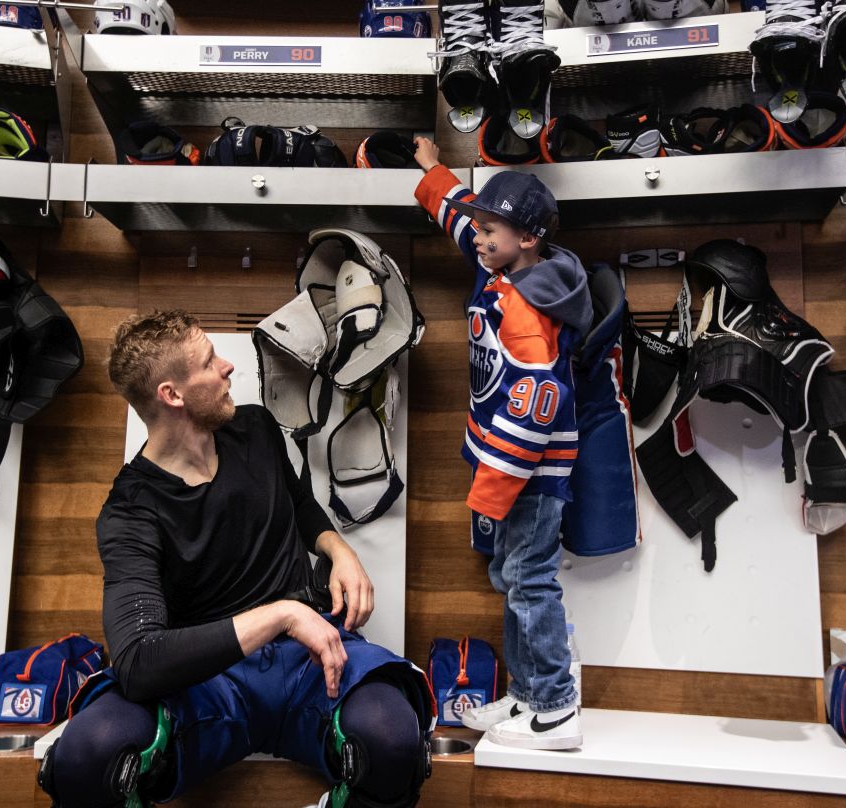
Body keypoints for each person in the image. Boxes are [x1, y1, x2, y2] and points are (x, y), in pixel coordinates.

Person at [37, 311, 434, 808]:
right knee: (85, 757)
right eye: (208, 362)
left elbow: (299, 504)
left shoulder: (256, 429)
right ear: (172, 395)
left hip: (310, 667)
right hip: (207, 686)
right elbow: (138, 662)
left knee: (394, 741)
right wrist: (285, 614)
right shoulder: (130, 510)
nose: (227, 366)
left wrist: (339, 549)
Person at [412, 137, 591, 750]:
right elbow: (464, 218)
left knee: (531, 578)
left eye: (494, 230)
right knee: (511, 576)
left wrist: (492, 488)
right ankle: (528, 694)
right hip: (508, 465)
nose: (480, 238)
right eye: (483, 229)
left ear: (530, 239)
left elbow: (536, 407)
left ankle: (558, 708)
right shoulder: (503, 264)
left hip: (530, 472)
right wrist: (433, 171)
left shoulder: (528, 309)